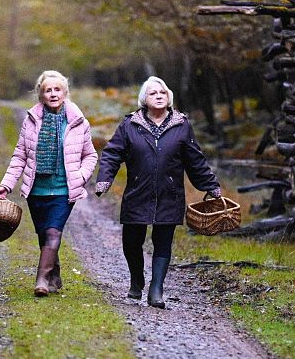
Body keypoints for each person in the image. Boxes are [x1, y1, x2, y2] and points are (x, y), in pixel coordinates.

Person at [95, 76, 221, 308]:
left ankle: (156, 289)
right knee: (131, 241)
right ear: (145, 99)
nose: (159, 96)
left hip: (169, 193)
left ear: (169, 97)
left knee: (163, 241)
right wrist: (104, 179)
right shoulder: (130, 124)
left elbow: (195, 159)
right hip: (137, 191)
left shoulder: (181, 124)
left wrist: (211, 185)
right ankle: (136, 279)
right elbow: (113, 153)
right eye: (153, 93)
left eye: (163, 92)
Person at [0, 70, 98, 297]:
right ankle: (54, 273)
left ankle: (41, 279)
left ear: (65, 93)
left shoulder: (78, 121)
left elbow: (90, 155)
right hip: (37, 190)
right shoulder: (31, 121)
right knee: (44, 234)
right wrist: (6, 185)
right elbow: (20, 155)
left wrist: (80, 177)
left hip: (64, 189)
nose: (53, 94)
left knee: (54, 232)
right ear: (41, 95)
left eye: (57, 89)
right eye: (47, 90)